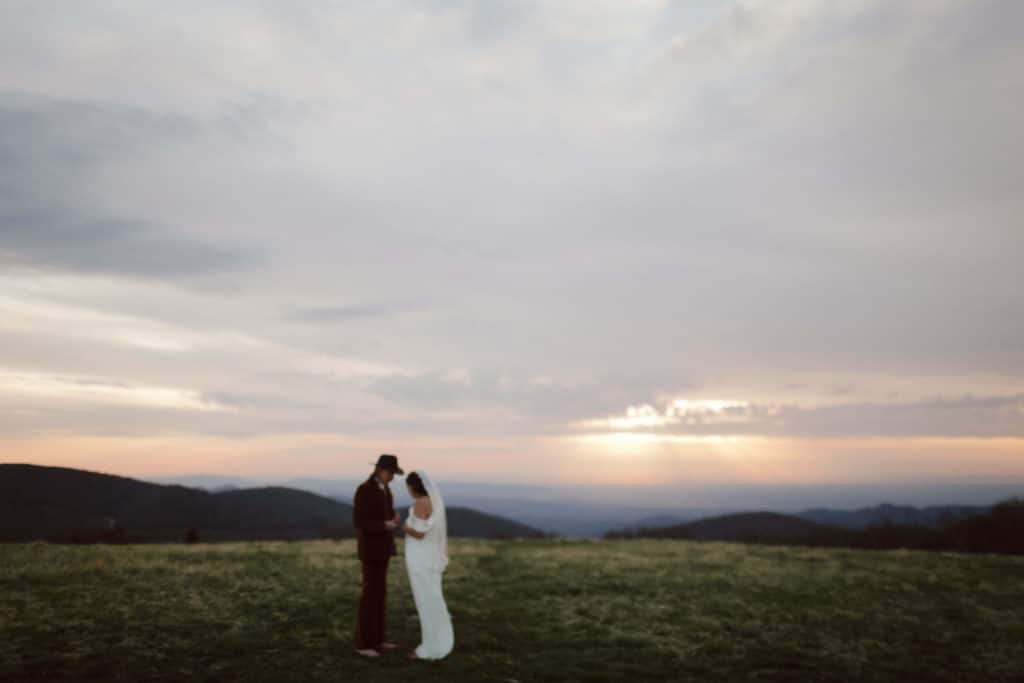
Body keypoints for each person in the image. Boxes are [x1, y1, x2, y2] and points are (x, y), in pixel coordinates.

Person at [352, 454, 403, 657]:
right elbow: (360, 522)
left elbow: (384, 516)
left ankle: (378, 640)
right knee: (369, 595)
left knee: (380, 594)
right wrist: (384, 525)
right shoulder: (364, 490)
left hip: (383, 549)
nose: (392, 477)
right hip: (370, 550)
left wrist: (392, 519)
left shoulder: (386, 490)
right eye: (391, 472)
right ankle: (363, 644)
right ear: (380, 470)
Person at [403, 470, 454, 660]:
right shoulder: (433, 501)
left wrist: (405, 528)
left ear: (412, 487)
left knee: (425, 600)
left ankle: (431, 647)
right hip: (429, 555)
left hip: (420, 557)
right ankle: (440, 640)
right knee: (433, 596)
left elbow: (420, 533)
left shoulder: (420, 502)